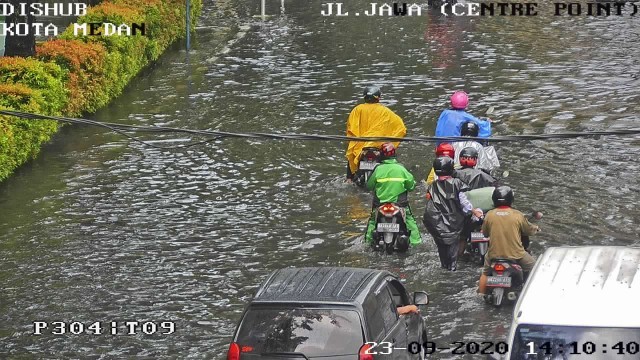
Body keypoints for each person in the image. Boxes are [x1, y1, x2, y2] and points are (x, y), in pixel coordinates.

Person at [423, 156, 483, 271]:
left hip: (438, 224)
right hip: (454, 224)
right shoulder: (457, 183)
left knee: (442, 251)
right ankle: (451, 269)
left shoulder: (433, 186)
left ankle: (445, 267)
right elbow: (464, 202)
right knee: (452, 255)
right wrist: (475, 211)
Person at [477, 186, 540, 295]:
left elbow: (485, 233)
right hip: (516, 254)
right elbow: (528, 230)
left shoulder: (489, 215)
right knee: (536, 268)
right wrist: (536, 229)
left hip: (493, 254)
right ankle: (528, 293)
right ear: (511, 199)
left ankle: (481, 294)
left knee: (485, 273)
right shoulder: (517, 215)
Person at [365, 143, 421, 247]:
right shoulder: (401, 169)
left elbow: (369, 186)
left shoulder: (378, 169)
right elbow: (411, 186)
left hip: (380, 205)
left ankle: (367, 242)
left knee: (372, 221)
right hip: (400, 205)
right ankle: (416, 243)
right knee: (409, 219)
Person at [345, 86, 407, 181]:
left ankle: (349, 179)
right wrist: (391, 142)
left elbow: (351, 129)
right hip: (378, 147)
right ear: (378, 97)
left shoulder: (357, 110)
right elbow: (401, 128)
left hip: (360, 148)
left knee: (351, 156)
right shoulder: (385, 111)